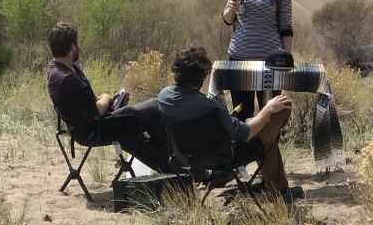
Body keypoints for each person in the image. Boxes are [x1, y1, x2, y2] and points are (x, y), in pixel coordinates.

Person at [157, 45, 296, 201]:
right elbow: (245, 134)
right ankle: (279, 192)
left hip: (185, 157)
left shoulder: (164, 97)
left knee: (263, 134)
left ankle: (278, 188)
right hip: (223, 158)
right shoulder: (211, 108)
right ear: (201, 78)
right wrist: (268, 109)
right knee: (282, 109)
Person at [46, 21, 172, 172]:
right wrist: (106, 98)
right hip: (94, 130)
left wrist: (112, 102)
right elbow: (96, 110)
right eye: (77, 43)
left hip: (90, 126)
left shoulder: (58, 69)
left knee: (133, 132)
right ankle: (173, 164)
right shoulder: (67, 78)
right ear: (72, 47)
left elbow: (84, 104)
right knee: (156, 107)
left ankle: (169, 168)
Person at [221, 0, 293, 116]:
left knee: (270, 114)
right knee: (241, 113)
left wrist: (287, 61)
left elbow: (286, 27)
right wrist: (231, 7)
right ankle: (243, 146)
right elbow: (227, 19)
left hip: (270, 62)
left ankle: (267, 146)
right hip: (239, 58)